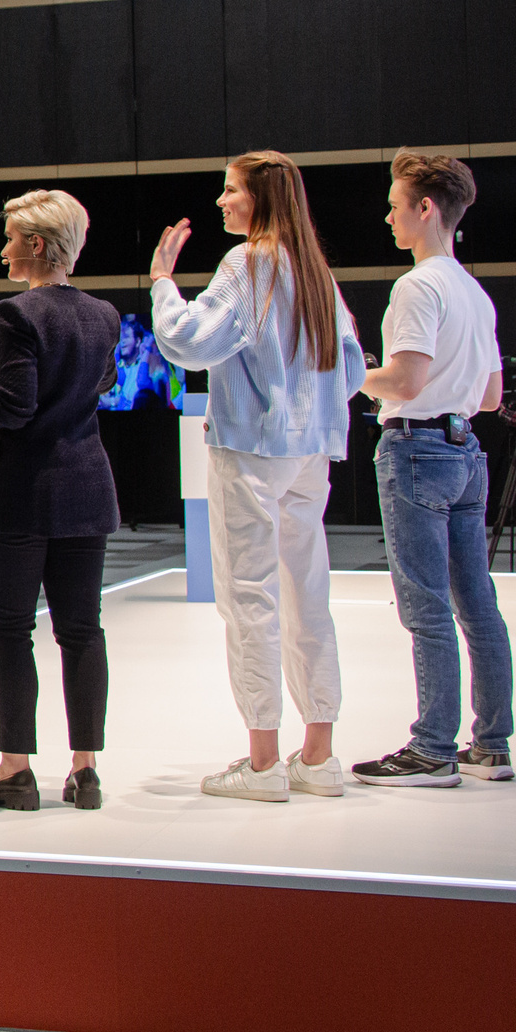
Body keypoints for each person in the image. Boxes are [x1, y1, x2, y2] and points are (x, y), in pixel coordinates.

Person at [152, 150, 366, 803]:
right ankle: (319, 755)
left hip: (250, 450)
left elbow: (190, 342)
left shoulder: (247, 263)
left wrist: (163, 282)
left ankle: (265, 761)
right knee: (308, 594)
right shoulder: (315, 269)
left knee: (249, 597)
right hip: (310, 453)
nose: (221, 202)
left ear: (260, 198)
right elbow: (352, 367)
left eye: (230, 190)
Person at [0, 190, 120, 813]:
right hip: (86, 488)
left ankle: (15, 770)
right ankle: (85, 770)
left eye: (12, 237)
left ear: (37, 246)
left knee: (11, 632)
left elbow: (15, 407)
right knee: (82, 631)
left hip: (22, 494)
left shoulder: (15, 314)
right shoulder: (104, 315)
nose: (4, 248)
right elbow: (101, 383)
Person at [353, 152, 516, 788]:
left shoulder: (418, 286)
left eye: (396, 204)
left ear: (426, 209)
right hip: (465, 451)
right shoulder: (473, 291)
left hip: (416, 450)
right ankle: (491, 744)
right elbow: (491, 397)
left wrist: (348, 376)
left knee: (424, 606)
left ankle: (432, 749)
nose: (388, 214)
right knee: (476, 602)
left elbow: (406, 379)